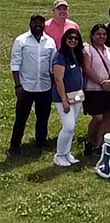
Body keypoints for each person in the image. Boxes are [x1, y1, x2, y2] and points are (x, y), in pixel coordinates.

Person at [8, 14, 57, 155]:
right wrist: (18, 86)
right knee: (21, 117)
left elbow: (52, 66)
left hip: (45, 86)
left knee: (43, 117)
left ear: (44, 25)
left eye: (41, 22)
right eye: (35, 22)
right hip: (26, 87)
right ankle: (14, 145)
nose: (38, 25)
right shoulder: (21, 40)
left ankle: (41, 141)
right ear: (30, 23)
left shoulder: (50, 42)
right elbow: (15, 64)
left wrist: (54, 86)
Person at [51, 29, 85, 167]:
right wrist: (64, 100)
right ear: (65, 39)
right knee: (68, 126)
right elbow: (58, 80)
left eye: (76, 39)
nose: (73, 41)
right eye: (70, 38)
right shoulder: (60, 56)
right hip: (63, 97)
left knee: (73, 126)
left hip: (76, 96)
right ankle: (59, 155)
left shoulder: (76, 54)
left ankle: (67, 153)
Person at [82, 23, 110, 155]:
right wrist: (101, 82)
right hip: (93, 89)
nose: (101, 36)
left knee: (106, 117)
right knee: (98, 117)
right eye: (98, 34)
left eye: (103, 34)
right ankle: (89, 140)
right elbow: (87, 68)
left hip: (107, 89)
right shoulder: (88, 50)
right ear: (92, 36)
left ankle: (98, 144)